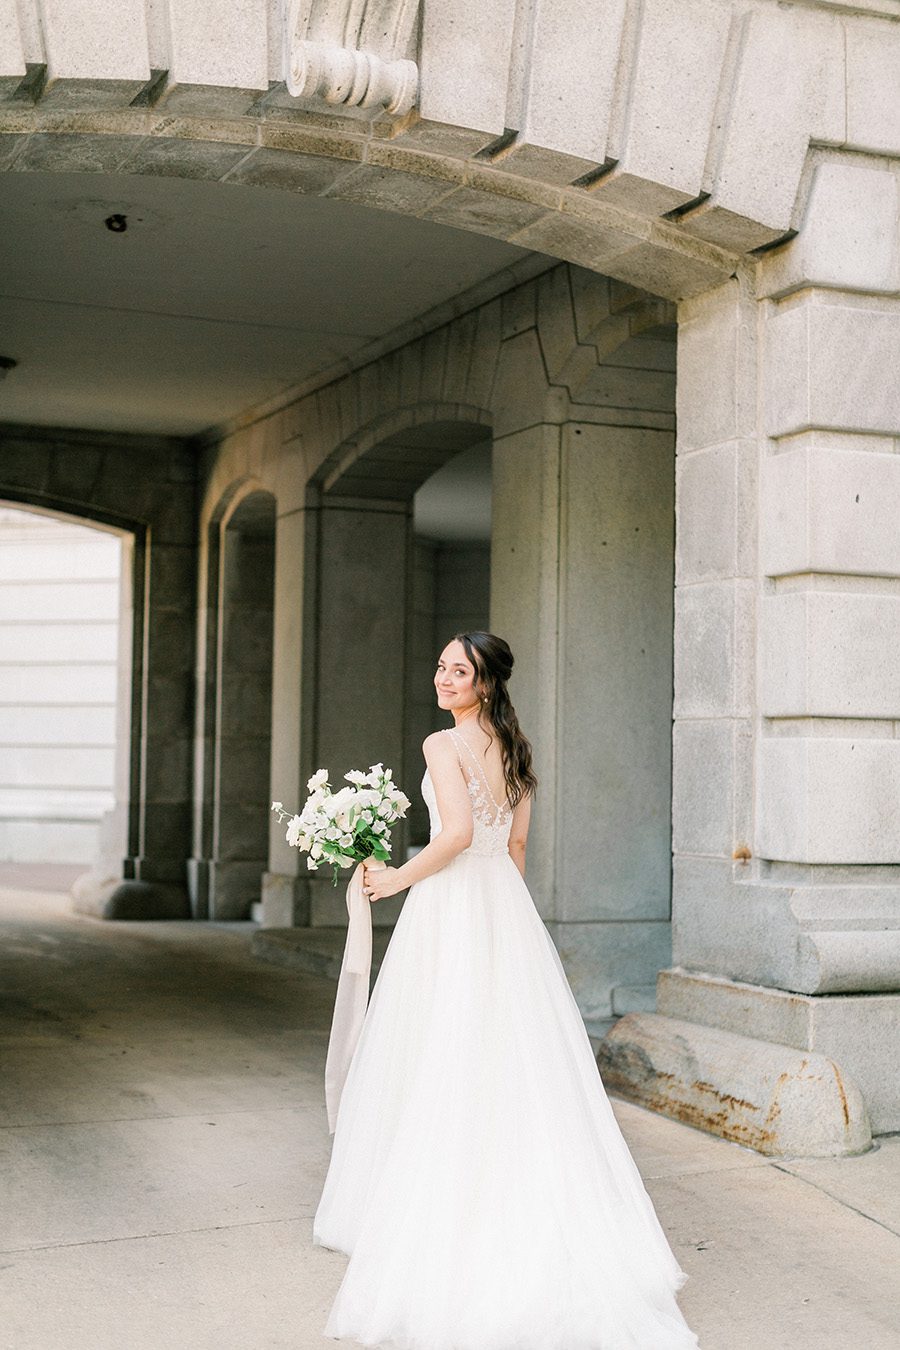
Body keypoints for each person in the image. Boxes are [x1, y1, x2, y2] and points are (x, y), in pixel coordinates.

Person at [312, 631, 700, 1349]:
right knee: (508, 1058)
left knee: (437, 1048)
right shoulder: (518, 752)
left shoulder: (441, 745)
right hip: (502, 908)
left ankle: (435, 1209)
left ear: (485, 684)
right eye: (441, 667)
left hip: (450, 904)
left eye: (459, 671)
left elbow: (456, 834)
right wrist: (503, 926)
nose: (444, 678)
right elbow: (515, 849)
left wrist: (395, 878)